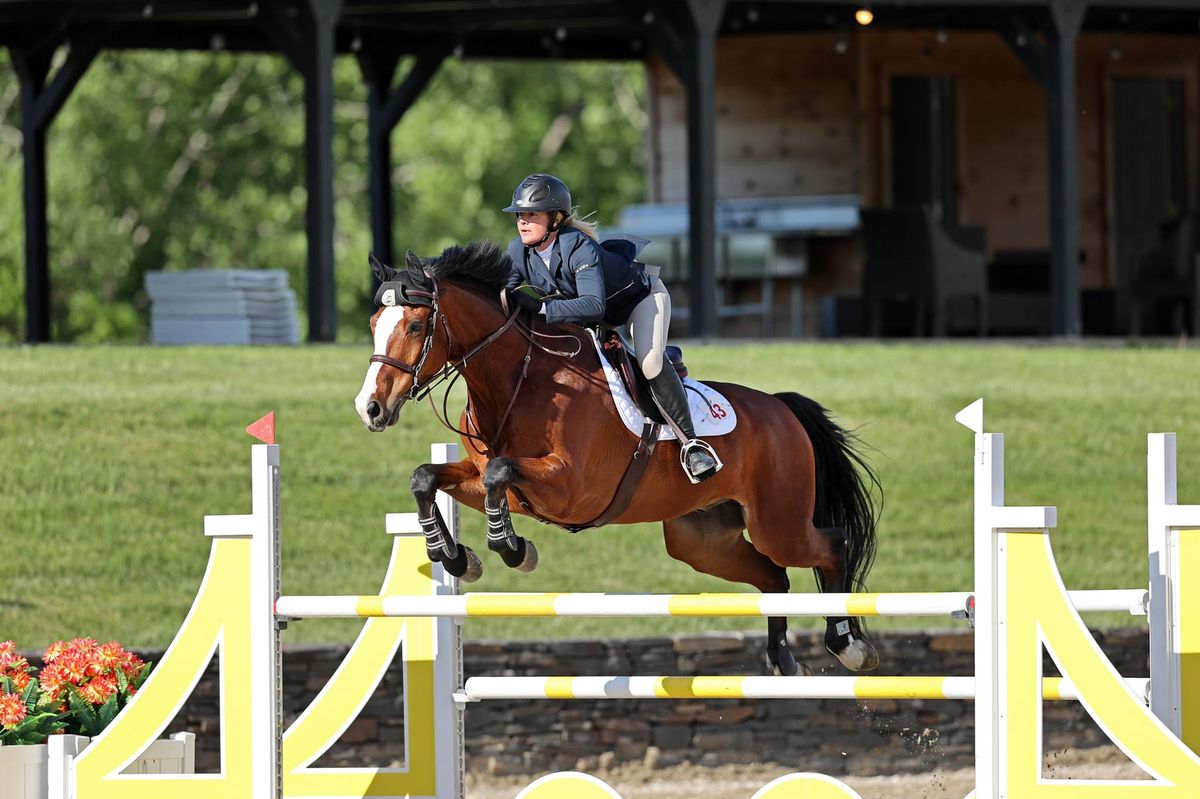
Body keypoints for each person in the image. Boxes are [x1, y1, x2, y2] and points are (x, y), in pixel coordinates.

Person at [502, 173, 722, 483]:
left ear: (555, 219)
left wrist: (540, 307)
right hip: (592, 318)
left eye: (531, 215)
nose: (522, 222)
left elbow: (593, 305)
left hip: (640, 302)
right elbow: (505, 295)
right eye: (519, 215)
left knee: (649, 362)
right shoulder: (518, 251)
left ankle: (692, 445)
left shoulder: (577, 245)